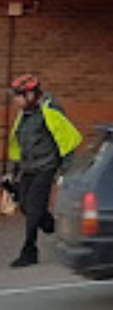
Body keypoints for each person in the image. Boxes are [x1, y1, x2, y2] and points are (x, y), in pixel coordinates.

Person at [6, 74, 83, 267]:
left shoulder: (50, 111)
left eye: (18, 95)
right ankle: (52, 225)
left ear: (31, 94)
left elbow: (66, 142)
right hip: (28, 167)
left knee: (32, 209)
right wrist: (13, 170)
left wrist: (65, 171)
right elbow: (19, 143)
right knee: (24, 205)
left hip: (46, 167)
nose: (15, 100)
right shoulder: (24, 115)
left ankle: (29, 251)